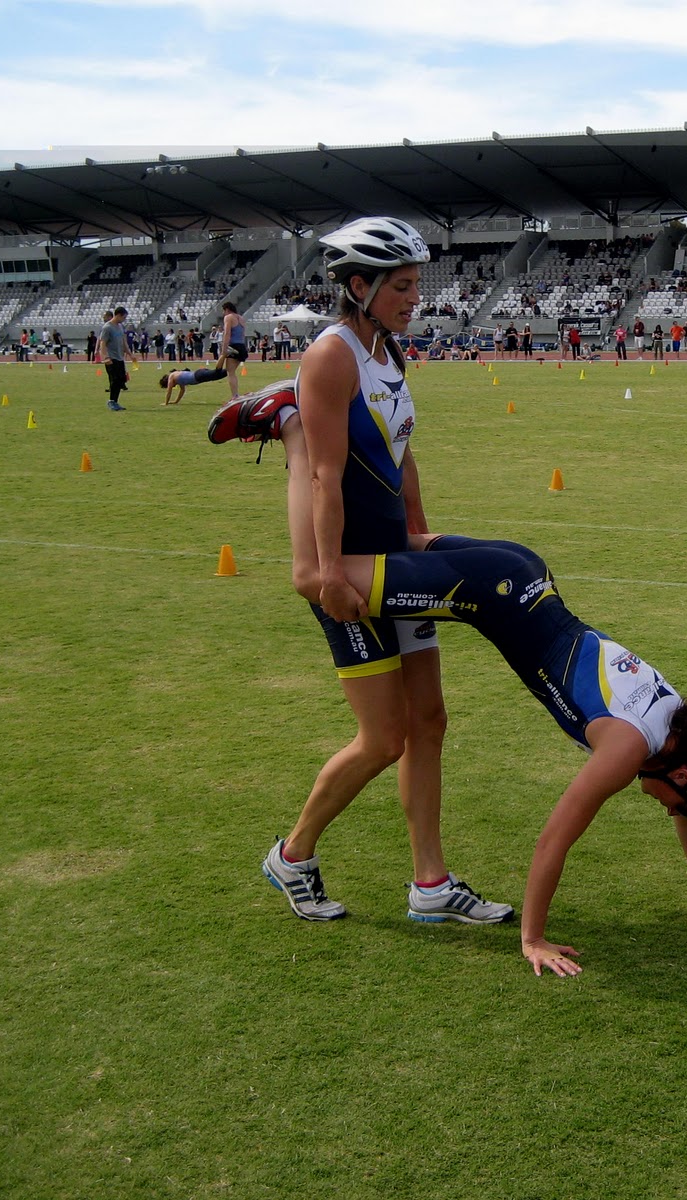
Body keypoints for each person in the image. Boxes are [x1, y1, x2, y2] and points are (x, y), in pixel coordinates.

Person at [323, 532, 687, 977]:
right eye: (674, 805)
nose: (668, 812)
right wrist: (533, 939)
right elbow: (553, 842)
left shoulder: (679, 727)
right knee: (324, 577)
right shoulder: (627, 748)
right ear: (681, 775)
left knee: (396, 537)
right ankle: (294, 856)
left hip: (524, 570)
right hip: (494, 589)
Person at [260, 216, 512, 927]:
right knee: (383, 738)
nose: (415, 298)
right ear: (359, 285)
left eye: (415, 285)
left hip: (396, 563)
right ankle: (292, 855)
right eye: (401, 286)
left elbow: (402, 456)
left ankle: (432, 883)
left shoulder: (387, 351)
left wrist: (419, 535)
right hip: (350, 571)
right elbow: (325, 475)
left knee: (429, 720)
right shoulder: (332, 355)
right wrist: (328, 575)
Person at [99, 306, 130, 410]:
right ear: (118, 315)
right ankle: (112, 401)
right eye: (124, 317)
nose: (124, 319)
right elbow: (103, 343)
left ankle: (115, 401)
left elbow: (123, 341)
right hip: (111, 358)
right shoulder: (107, 327)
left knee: (122, 380)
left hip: (120, 357)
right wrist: (105, 357)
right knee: (115, 380)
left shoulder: (120, 327)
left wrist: (130, 353)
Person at [218, 301, 247, 399]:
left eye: (223, 311)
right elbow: (242, 334)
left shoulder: (228, 317)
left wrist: (224, 349)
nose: (223, 313)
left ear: (227, 309)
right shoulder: (241, 318)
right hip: (241, 346)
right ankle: (235, 394)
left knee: (230, 372)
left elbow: (227, 333)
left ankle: (235, 395)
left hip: (233, 346)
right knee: (232, 372)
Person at [160, 366, 227, 404]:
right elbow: (182, 390)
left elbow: (169, 391)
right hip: (199, 377)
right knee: (219, 375)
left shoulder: (171, 376)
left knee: (217, 373)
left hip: (198, 375)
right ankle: (230, 367)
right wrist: (176, 401)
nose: (174, 386)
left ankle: (225, 356)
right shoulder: (177, 378)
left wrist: (166, 403)